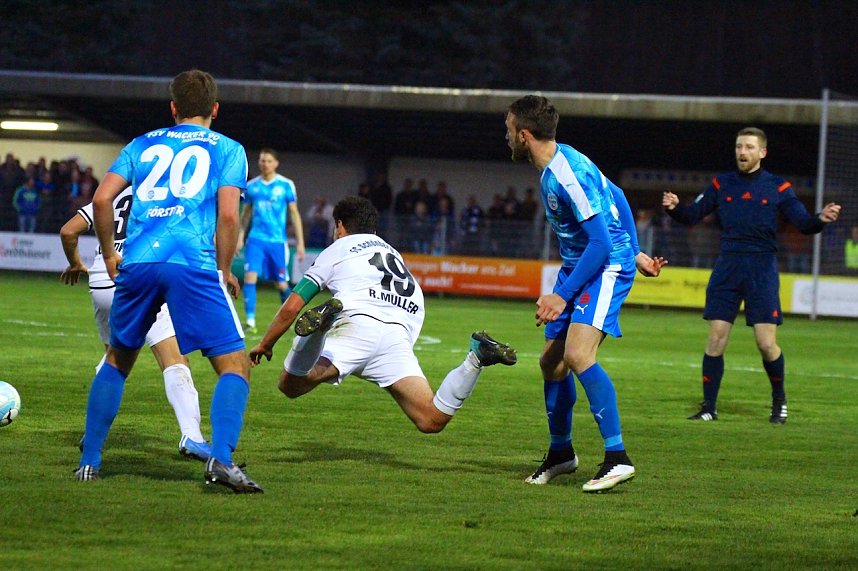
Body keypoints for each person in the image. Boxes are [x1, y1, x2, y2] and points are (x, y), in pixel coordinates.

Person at [75, 69, 262, 493]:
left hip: (138, 262)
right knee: (233, 366)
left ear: (173, 108)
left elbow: (103, 199)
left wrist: (107, 253)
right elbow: (230, 215)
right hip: (192, 262)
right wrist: (225, 268)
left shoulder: (142, 143)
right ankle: (222, 460)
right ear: (215, 109)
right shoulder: (230, 150)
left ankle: (90, 461)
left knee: (118, 361)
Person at [248, 196, 516, 438]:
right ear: (373, 229)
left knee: (290, 385)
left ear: (340, 226)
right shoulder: (391, 251)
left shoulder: (338, 248)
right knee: (431, 419)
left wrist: (266, 343)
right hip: (397, 332)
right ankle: (476, 358)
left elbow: (293, 305)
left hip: (358, 324)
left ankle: (320, 329)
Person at [505, 95, 666, 492]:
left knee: (578, 355)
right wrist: (640, 249)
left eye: (508, 130)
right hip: (582, 264)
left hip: (604, 264)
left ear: (524, 135)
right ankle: (561, 454)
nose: (506, 136)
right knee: (552, 364)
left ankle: (617, 457)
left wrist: (563, 296)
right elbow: (619, 196)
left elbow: (600, 244)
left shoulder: (566, 175)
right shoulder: (560, 162)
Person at [662, 127, 841, 424]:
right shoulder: (722, 184)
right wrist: (674, 209)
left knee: (765, 343)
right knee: (715, 340)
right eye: (738, 147)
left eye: (748, 147)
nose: (742, 152)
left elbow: (804, 223)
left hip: (761, 269)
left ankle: (779, 402)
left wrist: (820, 219)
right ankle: (709, 408)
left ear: (762, 152)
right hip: (728, 268)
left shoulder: (778, 187)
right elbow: (692, 215)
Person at [60, 188, 212, 462]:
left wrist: (75, 264)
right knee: (174, 358)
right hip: (137, 277)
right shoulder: (164, 193)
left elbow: (68, 232)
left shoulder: (111, 194)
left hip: (101, 283)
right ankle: (193, 436)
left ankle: (92, 432)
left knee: (113, 359)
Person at [238, 148, 306, 334]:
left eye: (268, 161)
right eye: (262, 160)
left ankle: (291, 316)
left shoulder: (285, 185)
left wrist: (300, 243)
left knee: (281, 283)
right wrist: (240, 237)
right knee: (250, 277)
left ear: (276, 163)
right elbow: (246, 215)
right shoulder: (252, 186)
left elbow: (294, 214)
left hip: (277, 241)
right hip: (256, 240)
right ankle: (250, 321)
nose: (264, 164)